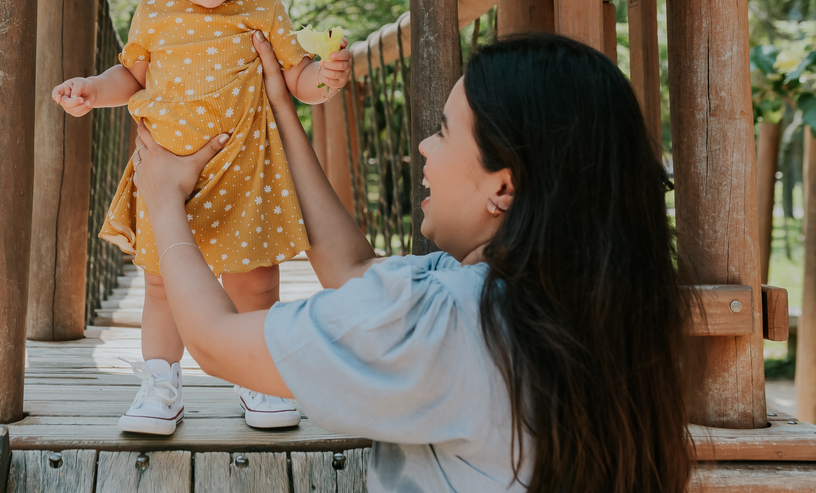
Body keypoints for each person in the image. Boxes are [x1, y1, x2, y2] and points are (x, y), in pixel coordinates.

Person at [130, 32, 696, 493]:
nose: (424, 146)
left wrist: (162, 200)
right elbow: (354, 269)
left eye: (444, 133)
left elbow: (213, 339)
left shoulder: (440, 323)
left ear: (504, 188)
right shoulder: (588, 309)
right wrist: (280, 110)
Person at [51, 0, 352, 435]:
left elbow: (295, 79)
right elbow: (130, 76)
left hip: (246, 174)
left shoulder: (264, 11)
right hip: (169, 175)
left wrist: (324, 77)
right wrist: (92, 88)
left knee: (255, 282)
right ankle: (161, 384)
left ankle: (260, 379)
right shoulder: (154, 13)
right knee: (163, 286)